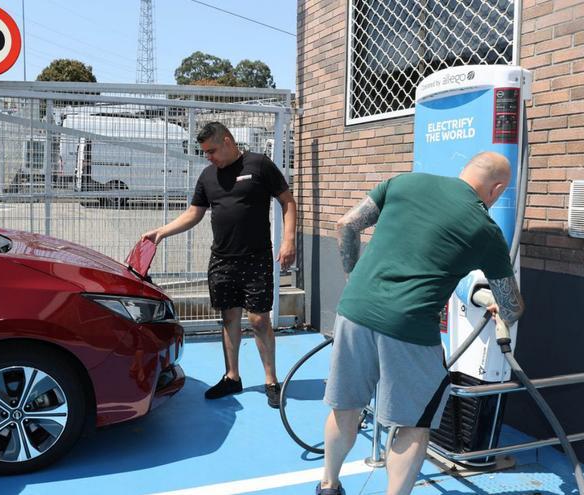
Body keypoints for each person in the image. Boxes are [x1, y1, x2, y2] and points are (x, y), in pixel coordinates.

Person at [318, 151, 525, 495]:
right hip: (410, 328)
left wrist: (354, 277)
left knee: (346, 406)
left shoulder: (403, 182)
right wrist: (497, 307)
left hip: (354, 310)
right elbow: (511, 306)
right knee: (413, 425)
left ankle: (328, 485)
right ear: (497, 188)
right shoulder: (486, 230)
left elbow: (347, 225)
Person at [141, 121, 297, 408]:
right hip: (222, 259)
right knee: (229, 318)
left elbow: (287, 201)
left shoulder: (259, 165)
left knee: (259, 320)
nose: (208, 157)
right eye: (205, 153)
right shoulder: (208, 176)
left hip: (256, 257)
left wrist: (288, 241)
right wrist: (162, 231)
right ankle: (232, 376)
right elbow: (194, 213)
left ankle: (271, 380)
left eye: (212, 150)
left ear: (227, 141)